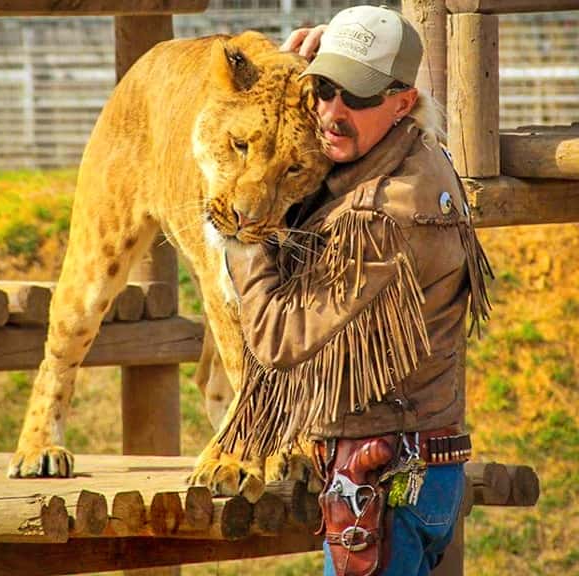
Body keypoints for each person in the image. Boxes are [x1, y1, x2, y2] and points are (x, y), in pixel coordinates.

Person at [215, 5, 492, 576]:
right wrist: (305, 71)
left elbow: (280, 340)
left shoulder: (383, 214)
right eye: (323, 89)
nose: (331, 112)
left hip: (378, 484)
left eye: (358, 96)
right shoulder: (420, 152)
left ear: (402, 101)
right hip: (408, 474)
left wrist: (241, 234)